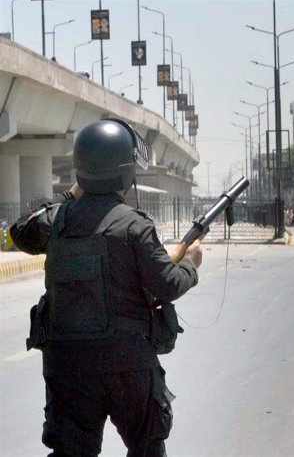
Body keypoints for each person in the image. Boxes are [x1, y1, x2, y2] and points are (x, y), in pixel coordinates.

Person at [10, 119, 202, 456]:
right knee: (146, 449)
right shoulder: (133, 225)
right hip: (128, 364)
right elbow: (167, 284)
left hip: (70, 368)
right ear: (126, 172)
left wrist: (73, 193)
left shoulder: (57, 221)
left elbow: (19, 232)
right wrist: (191, 263)